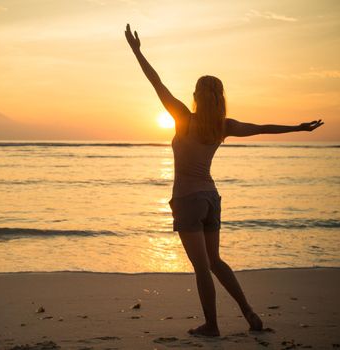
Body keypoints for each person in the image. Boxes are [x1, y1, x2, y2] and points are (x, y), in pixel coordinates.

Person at [125, 24, 323, 337]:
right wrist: (299, 128)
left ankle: (212, 325)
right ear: (219, 98)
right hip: (211, 199)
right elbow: (262, 128)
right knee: (215, 261)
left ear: (195, 96)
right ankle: (250, 314)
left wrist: (137, 51)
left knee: (202, 268)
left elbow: (156, 83)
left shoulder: (181, 117)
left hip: (188, 201)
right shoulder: (224, 125)